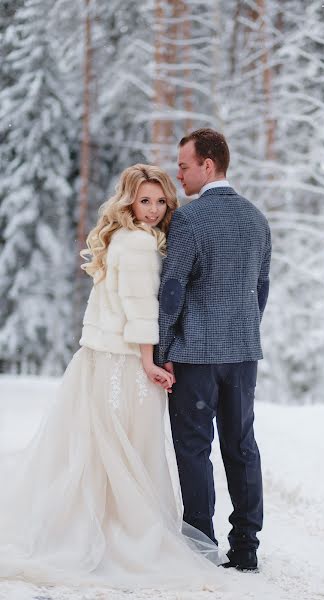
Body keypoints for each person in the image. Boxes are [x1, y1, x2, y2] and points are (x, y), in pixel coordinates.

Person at [0, 164, 226, 591]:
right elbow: (141, 309)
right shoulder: (140, 246)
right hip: (126, 361)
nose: (155, 209)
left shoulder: (121, 239)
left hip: (99, 357)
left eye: (161, 201)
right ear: (129, 201)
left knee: (100, 452)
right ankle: (126, 538)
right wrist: (150, 361)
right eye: (145, 201)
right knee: (130, 452)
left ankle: (93, 531)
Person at [155, 129, 271, 572]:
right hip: (242, 355)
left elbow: (171, 289)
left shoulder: (188, 220)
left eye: (183, 165)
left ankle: (201, 546)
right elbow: (261, 287)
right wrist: (242, 329)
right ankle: (245, 548)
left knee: (193, 448)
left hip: (194, 358)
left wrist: (164, 347)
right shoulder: (257, 219)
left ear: (208, 165)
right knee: (241, 446)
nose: (178, 174)